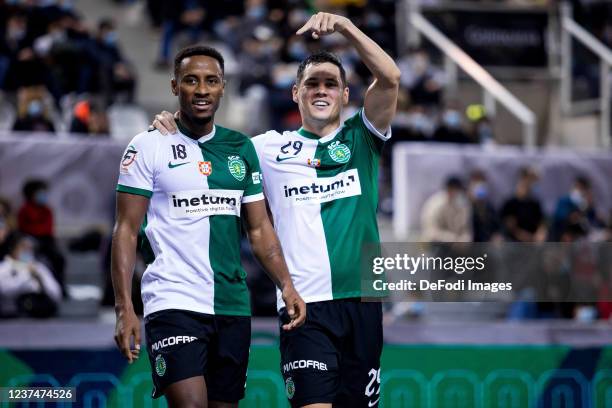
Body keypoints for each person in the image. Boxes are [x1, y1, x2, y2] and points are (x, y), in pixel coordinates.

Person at [153, 12, 400, 407]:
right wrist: (173, 125)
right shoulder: (265, 148)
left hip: (363, 303)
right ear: (295, 93)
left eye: (331, 84)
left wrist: (346, 27)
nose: (322, 91)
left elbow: (389, 78)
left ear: (346, 95)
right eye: (312, 84)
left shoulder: (363, 138)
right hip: (303, 307)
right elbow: (207, 144)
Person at [112, 45, 306, 407]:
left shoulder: (240, 148)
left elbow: (260, 229)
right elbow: (125, 229)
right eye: (191, 80)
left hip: (231, 304)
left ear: (222, 88)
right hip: (173, 300)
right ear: (174, 87)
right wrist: (125, 308)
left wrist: (287, 285)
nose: (202, 90)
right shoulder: (147, 146)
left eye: (211, 81)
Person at [17, 179, 66, 297]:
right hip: (29, 242)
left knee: (58, 259)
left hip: (46, 241)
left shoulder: (47, 210)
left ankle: (60, 287)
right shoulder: (23, 210)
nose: (43, 195)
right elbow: (23, 228)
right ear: (31, 194)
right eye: (40, 192)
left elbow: (47, 229)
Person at [0, 232, 62, 318]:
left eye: (29, 249)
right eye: (23, 248)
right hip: (10, 313)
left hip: (37, 311)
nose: (27, 252)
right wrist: (26, 276)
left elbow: (56, 293)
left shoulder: (38, 267)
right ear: (14, 249)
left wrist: (40, 279)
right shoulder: (5, 266)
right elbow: (4, 289)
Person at [500, 167, 547, 242]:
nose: (534, 183)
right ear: (524, 179)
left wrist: (540, 234)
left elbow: (541, 223)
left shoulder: (535, 202)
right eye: (532, 180)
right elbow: (511, 227)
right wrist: (527, 238)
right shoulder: (510, 203)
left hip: (533, 243)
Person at [421, 176, 472, 243]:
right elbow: (430, 231)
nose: (458, 194)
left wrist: (464, 239)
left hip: (456, 247)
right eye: (456, 190)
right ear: (449, 189)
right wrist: (451, 238)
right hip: (436, 245)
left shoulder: (462, 205)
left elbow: (465, 229)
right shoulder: (435, 205)